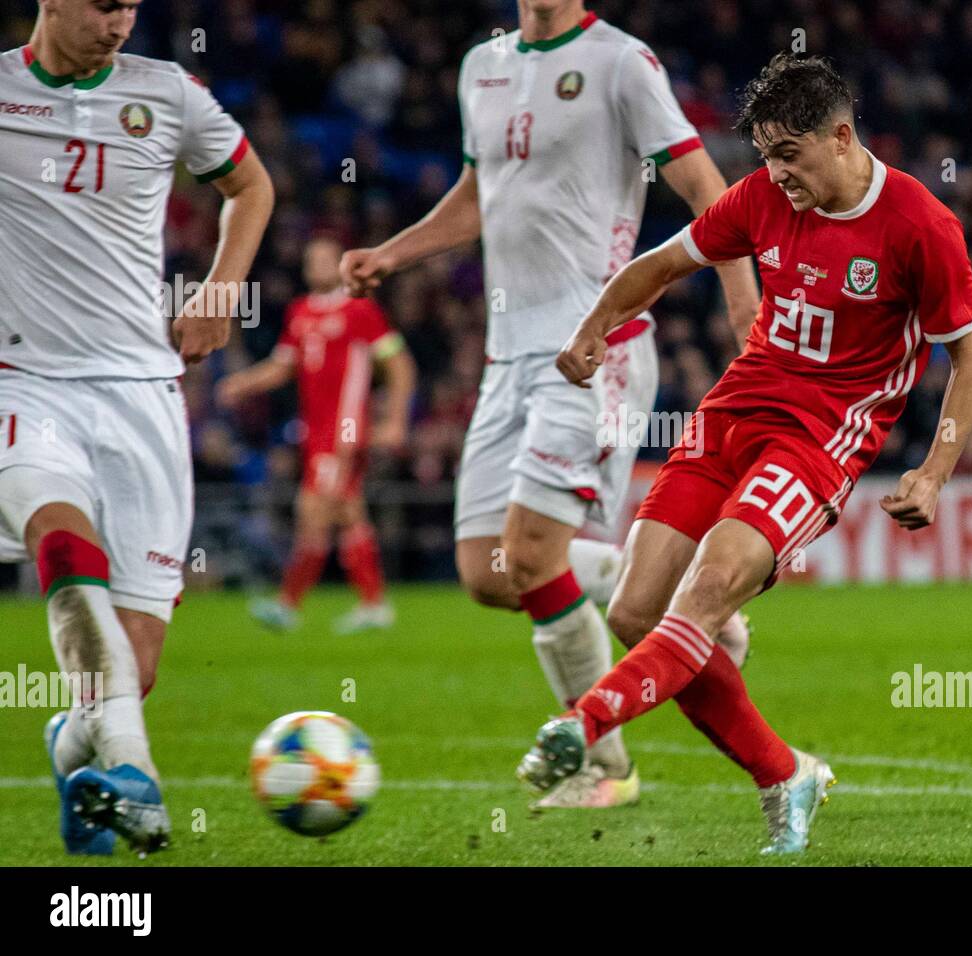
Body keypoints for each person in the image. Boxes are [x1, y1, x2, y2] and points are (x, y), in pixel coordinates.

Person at [518, 53, 972, 854]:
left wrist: (934, 471)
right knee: (635, 612)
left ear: (840, 137)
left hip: (817, 441)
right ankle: (785, 773)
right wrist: (592, 328)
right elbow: (662, 265)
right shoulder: (762, 198)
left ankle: (584, 720)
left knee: (704, 593)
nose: (776, 175)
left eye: (789, 155)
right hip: (731, 414)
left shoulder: (919, 225)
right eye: (767, 157)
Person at [339, 0, 760, 808]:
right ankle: (679, 595)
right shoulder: (480, 66)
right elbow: (477, 194)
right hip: (507, 355)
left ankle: (604, 769)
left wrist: (742, 296)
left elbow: (705, 183)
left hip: (593, 345)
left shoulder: (621, 62)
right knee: (487, 571)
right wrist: (393, 255)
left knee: (531, 556)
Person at [0, 0, 273, 854]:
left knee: (131, 669)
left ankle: (79, 744)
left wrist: (221, 291)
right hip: (25, 387)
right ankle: (135, 773)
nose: (119, 23)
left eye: (130, 6)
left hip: (142, 398)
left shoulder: (171, 95)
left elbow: (250, 186)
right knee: (60, 541)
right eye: (101, 4)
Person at [217, 237, 416, 634]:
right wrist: (245, 383)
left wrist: (395, 421)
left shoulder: (360, 311)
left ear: (340, 265)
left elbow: (399, 365)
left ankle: (289, 603)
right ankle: (373, 603)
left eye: (325, 258)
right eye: (311, 259)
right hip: (315, 431)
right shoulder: (300, 312)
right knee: (346, 510)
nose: (317, 265)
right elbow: (282, 367)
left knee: (313, 510)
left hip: (344, 429)